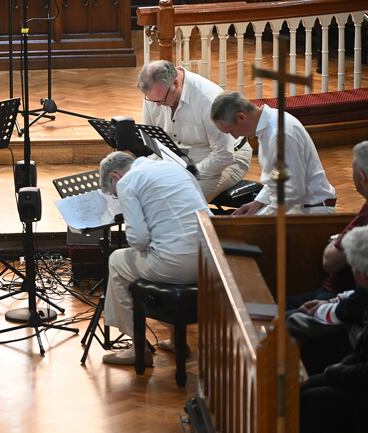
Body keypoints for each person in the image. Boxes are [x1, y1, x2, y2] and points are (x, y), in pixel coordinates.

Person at [98, 151, 209, 365]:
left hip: (175, 265)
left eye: (114, 195)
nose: (117, 197)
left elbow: (138, 240)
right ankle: (177, 340)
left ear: (114, 176)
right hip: (210, 257)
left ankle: (137, 347)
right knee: (155, 255)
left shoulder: (126, 182)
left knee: (116, 260)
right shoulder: (174, 167)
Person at [300, 222, 368, 433]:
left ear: (362, 276)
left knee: (303, 401)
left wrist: (334, 372)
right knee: (300, 386)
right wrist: (338, 369)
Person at [289, 141, 368, 309]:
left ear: (361, 177)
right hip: (352, 296)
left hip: (339, 297)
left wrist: (338, 240)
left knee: (279, 313)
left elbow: (329, 261)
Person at [139, 60, 252, 201]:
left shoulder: (208, 98)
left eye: (161, 100)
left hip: (228, 159)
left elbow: (224, 155)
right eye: (153, 101)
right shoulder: (155, 94)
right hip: (179, 156)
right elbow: (152, 138)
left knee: (179, 200)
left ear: (175, 82)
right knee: (139, 184)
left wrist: (185, 173)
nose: (158, 105)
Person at [210, 91, 336, 215]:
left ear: (241, 117)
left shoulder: (279, 135)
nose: (235, 136)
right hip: (298, 206)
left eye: (231, 130)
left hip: (311, 212)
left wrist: (262, 219)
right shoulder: (269, 124)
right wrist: (258, 202)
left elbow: (291, 190)